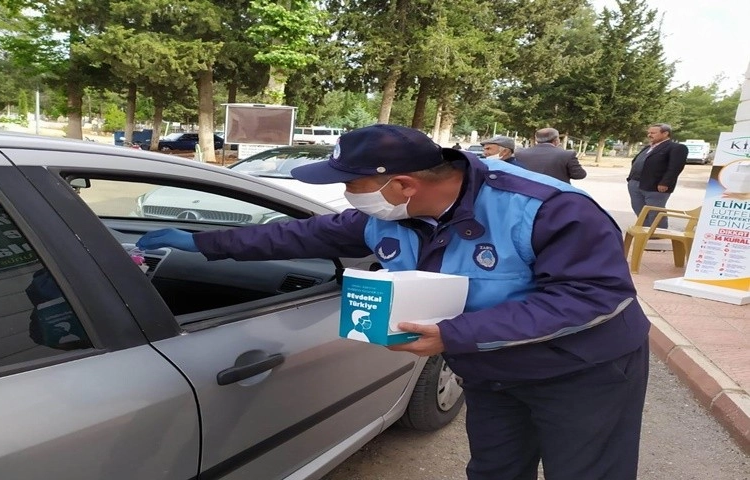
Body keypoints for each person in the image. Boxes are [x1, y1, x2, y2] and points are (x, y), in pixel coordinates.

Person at [137, 124, 650, 480]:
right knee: (495, 470)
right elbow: (302, 237)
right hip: (492, 370)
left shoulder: (547, 209)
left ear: (402, 183)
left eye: (350, 184)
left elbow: (592, 297)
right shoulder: (387, 212)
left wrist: (454, 335)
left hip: (584, 370)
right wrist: (204, 244)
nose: (347, 194)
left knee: (585, 473)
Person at [627, 123, 688, 228]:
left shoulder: (676, 148)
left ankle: (658, 232)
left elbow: (675, 168)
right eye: (649, 133)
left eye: (653, 133)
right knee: (638, 208)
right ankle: (645, 230)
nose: (650, 135)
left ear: (665, 133)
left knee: (655, 210)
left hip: (656, 186)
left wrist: (665, 182)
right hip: (636, 183)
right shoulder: (648, 147)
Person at [515, 127, 587, 183]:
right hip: (555, 196)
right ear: (556, 140)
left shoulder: (520, 153)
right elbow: (580, 175)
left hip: (527, 194)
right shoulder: (567, 154)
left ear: (536, 140)